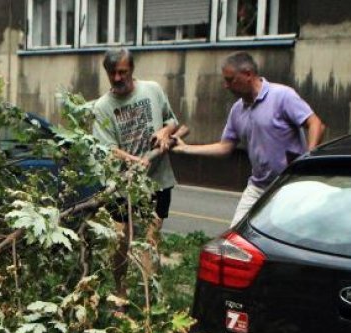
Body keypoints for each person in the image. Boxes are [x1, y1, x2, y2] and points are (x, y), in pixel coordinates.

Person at [173, 52, 325, 226]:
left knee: (286, 237)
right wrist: (185, 148)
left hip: (289, 186)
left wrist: (306, 159)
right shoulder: (237, 110)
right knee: (236, 237)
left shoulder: (282, 96)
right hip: (258, 187)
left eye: (230, 80)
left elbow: (315, 124)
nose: (226, 86)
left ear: (248, 75)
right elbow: (225, 147)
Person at [91, 47, 183, 303]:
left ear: (132, 69)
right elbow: (106, 148)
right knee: (120, 243)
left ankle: (149, 302)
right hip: (123, 186)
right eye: (113, 73)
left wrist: (165, 134)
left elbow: (172, 120)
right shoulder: (103, 107)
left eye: (123, 72)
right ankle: (120, 291)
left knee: (150, 241)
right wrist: (133, 160)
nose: (118, 78)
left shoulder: (152, 90)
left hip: (158, 180)